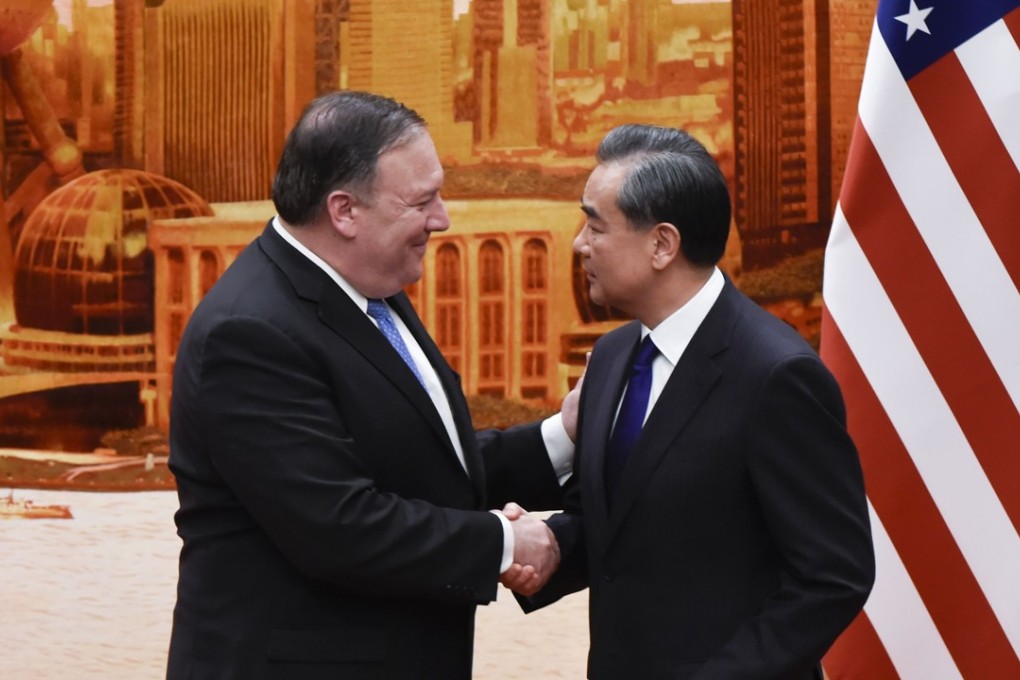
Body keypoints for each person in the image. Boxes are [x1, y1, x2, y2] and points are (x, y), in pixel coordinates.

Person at [166, 90, 575, 680]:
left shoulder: (369, 287)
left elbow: (415, 464)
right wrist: (507, 546)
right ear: (345, 211)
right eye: (422, 201)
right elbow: (338, 527)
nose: (443, 218)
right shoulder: (249, 332)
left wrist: (562, 436)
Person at [506, 124, 875, 679]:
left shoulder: (777, 375)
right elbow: (619, 520)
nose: (580, 244)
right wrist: (551, 546)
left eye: (595, 225)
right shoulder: (611, 357)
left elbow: (834, 574)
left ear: (662, 244)